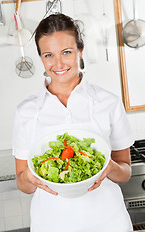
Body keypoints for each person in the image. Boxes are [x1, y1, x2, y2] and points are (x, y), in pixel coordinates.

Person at [12, 13, 134, 232]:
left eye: (66, 52)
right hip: (50, 224)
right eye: (48, 55)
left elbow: (125, 172)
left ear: (80, 51)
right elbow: (22, 183)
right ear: (41, 58)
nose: (58, 63)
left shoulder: (109, 102)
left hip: (109, 222)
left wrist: (110, 168)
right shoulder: (26, 111)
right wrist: (30, 177)